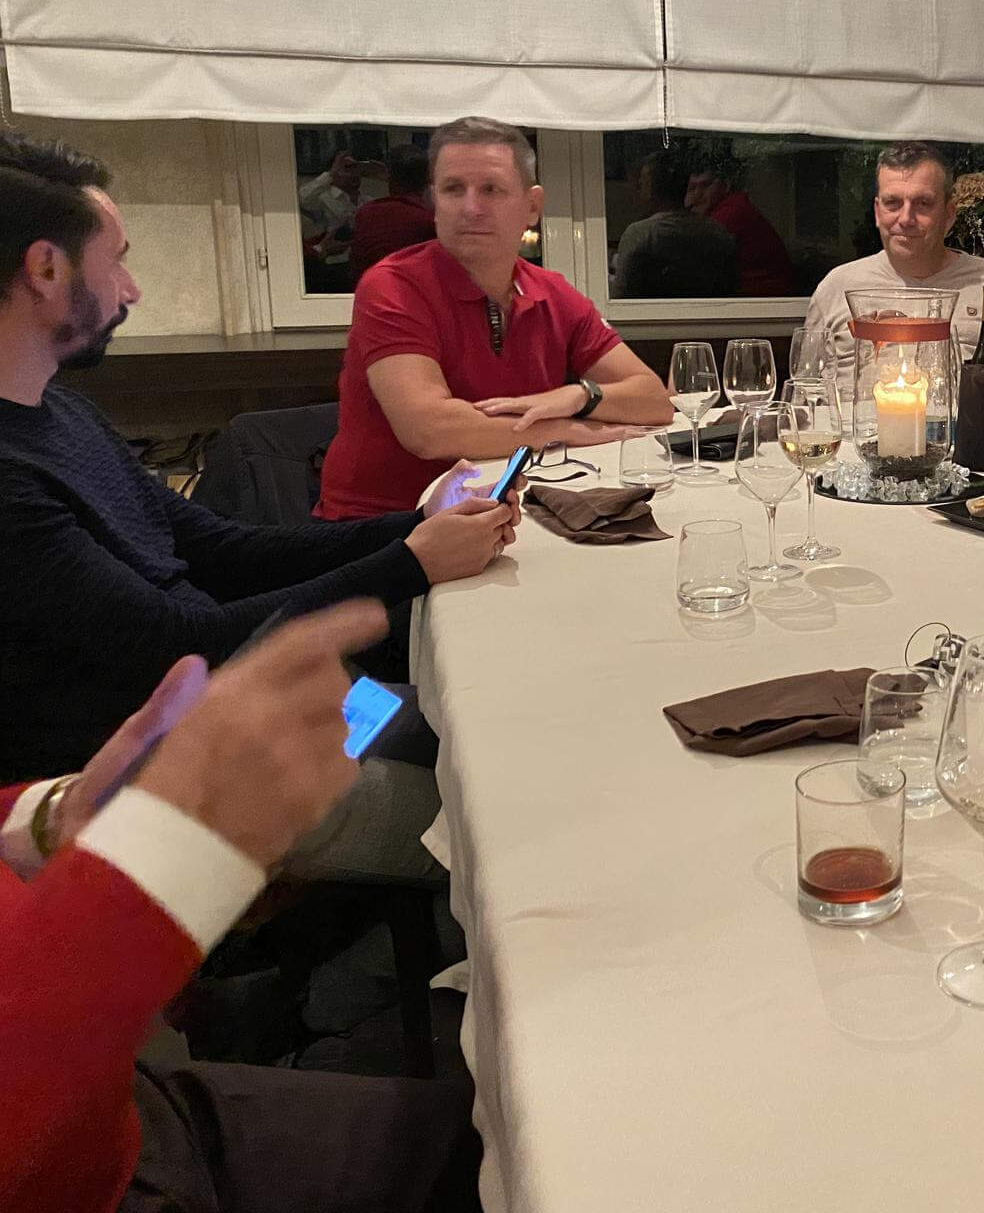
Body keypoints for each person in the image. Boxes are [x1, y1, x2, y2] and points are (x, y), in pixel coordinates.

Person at [0, 134, 515, 882]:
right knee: (498, 825)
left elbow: (221, 550)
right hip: (171, 780)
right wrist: (411, 563)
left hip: (253, 705)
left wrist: (416, 527)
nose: (131, 290)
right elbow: (180, 645)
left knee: (479, 731)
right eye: (116, 262)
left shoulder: (62, 412)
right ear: (47, 269)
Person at [0, 601, 481, 1213]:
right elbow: (169, 625)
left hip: (112, 1111)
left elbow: (201, 580)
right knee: (461, 820)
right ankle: (311, 1011)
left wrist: (45, 818)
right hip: (57, 1101)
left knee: (411, 718)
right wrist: (160, 847)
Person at [316, 116, 674, 519]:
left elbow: (653, 400)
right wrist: (563, 431)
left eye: (491, 189)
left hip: (505, 514)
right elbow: (430, 430)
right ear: (435, 203)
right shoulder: (392, 285)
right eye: (453, 189)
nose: (471, 208)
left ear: (532, 207)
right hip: (382, 530)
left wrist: (579, 396)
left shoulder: (553, 293)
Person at [803, 142, 984, 393]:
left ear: (949, 214)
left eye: (923, 203)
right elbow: (804, 394)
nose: (906, 218)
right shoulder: (837, 286)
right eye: (892, 203)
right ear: (877, 212)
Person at [614, 150, 738, 298]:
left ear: (652, 188)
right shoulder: (718, 232)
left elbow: (620, 297)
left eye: (642, 181)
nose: (638, 187)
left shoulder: (641, 234)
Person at [686, 164, 792, 296]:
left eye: (706, 185)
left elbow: (692, 258)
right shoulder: (724, 210)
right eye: (692, 188)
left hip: (765, 300)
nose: (697, 194)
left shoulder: (732, 212)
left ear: (726, 185)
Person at [349, 142, 437, 279]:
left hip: (366, 287)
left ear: (389, 177)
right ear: (428, 179)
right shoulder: (429, 221)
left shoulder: (366, 213)